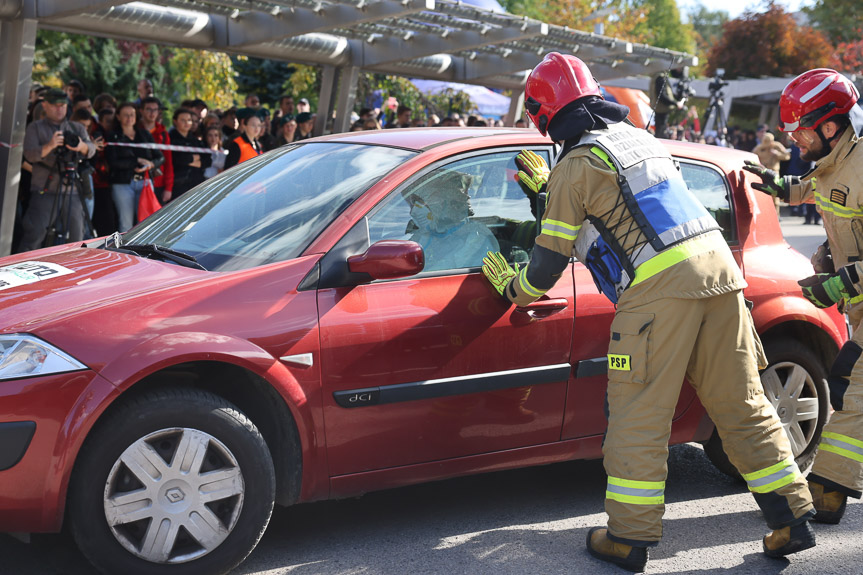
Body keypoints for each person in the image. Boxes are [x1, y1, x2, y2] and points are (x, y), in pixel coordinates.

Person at [482, 53, 816, 572]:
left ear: (544, 116)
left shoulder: (575, 164)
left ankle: (628, 538)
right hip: (723, 276)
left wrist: (514, 287)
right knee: (743, 403)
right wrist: (552, 195)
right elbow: (626, 215)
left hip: (660, 291)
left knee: (638, 417)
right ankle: (791, 518)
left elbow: (547, 267)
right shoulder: (640, 140)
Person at [743, 68, 863, 526]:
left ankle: (827, 491)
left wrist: (839, 283)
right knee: (849, 388)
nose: (793, 140)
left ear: (830, 127)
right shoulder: (837, 159)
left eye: (800, 132)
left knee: (855, 395)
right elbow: (815, 188)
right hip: (859, 308)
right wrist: (780, 188)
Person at [18, 88, 96, 252]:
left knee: (76, 236)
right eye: (55, 105)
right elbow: (29, 155)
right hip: (44, 189)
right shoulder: (35, 128)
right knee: (35, 233)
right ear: (45, 105)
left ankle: (73, 271)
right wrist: (50, 146)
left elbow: (91, 149)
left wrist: (81, 146)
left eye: (63, 105)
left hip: (73, 190)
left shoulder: (76, 128)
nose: (59, 109)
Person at [406, 171, 498, 272]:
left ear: (447, 203)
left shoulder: (475, 237)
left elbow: (440, 273)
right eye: (414, 203)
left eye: (422, 202)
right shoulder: (430, 232)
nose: (414, 211)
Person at [105, 102, 164, 232]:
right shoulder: (113, 136)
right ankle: (123, 251)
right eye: (125, 115)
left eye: (132, 114)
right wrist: (136, 161)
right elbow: (113, 162)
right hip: (122, 183)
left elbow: (160, 157)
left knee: (146, 222)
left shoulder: (145, 134)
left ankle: (144, 251)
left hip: (145, 182)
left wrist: (151, 164)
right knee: (125, 223)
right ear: (118, 117)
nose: (129, 118)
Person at [168, 107, 210, 199]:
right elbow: (176, 159)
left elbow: (207, 160)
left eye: (189, 120)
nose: (186, 123)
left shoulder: (196, 141)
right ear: (175, 121)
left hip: (196, 184)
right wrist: (195, 158)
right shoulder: (171, 139)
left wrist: (188, 159)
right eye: (183, 120)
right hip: (178, 185)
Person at [138, 96, 174, 204]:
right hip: (138, 182)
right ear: (141, 111)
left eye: (155, 110)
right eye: (149, 109)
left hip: (159, 183)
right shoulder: (134, 131)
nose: (152, 113)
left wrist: (168, 188)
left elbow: (168, 161)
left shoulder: (163, 133)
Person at [752, 131, 790, 220]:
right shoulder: (760, 147)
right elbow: (752, 156)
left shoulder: (777, 146)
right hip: (763, 171)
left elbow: (787, 156)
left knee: (776, 193)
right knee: (763, 192)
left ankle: (776, 215)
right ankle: (764, 214)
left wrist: (777, 154)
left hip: (774, 171)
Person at [650, 68, 685, 139]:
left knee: (660, 131)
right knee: (661, 133)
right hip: (661, 110)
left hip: (660, 110)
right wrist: (676, 103)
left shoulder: (658, 77)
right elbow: (662, 96)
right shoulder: (660, 78)